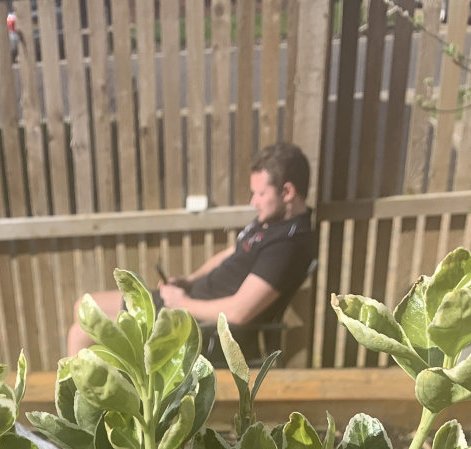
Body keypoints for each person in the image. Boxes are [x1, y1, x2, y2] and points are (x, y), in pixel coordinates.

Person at [66, 142, 315, 359]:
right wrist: (188, 281)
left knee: (82, 333)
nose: (253, 202)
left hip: (199, 329)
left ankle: (89, 412)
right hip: (190, 303)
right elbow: (233, 253)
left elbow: (239, 313)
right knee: (84, 306)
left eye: (260, 194)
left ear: (287, 192)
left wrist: (182, 304)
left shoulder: (288, 245)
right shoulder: (272, 224)